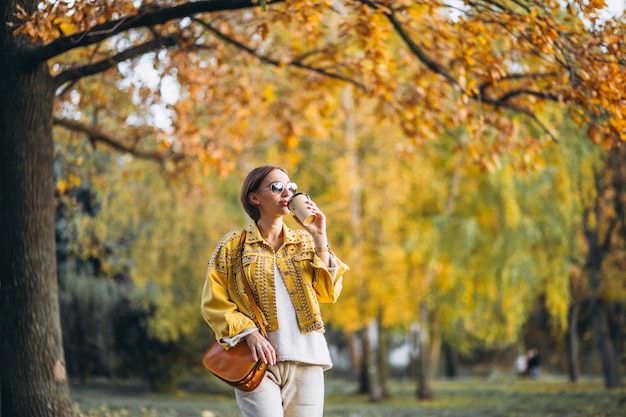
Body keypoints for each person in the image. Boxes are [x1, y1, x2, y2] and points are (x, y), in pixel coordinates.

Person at [201, 165, 349, 417]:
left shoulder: (305, 241)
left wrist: (320, 237)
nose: (287, 193)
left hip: (307, 359)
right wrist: (249, 333)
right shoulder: (233, 245)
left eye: (290, 187)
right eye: (276, 187)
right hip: (256, 362)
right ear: (254, 197)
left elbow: (328, 292)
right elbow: (213, 302)